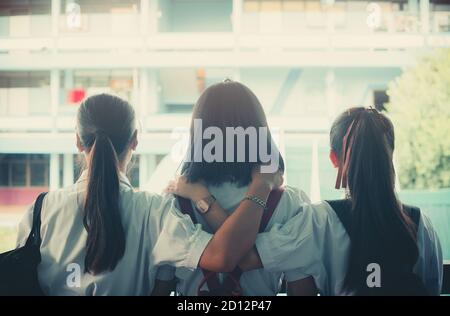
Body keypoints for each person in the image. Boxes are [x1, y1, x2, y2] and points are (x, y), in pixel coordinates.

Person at [16, 93, 282, 295]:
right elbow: (223, 256)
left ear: (77, 140)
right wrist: (261, 185)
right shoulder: (153, 211)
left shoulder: (40, 211)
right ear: (135, 140)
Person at [172, 107, 443, 296]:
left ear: (334, 160)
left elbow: (241, 256)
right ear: (390, 155)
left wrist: (202, 198)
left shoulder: (321, 220)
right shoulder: (421, 226)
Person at [162, 80, 317, 296]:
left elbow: (159, 287)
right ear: (260, 133)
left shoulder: (174, 204)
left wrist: (203, 199)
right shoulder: (290, 203)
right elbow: (302, 291)